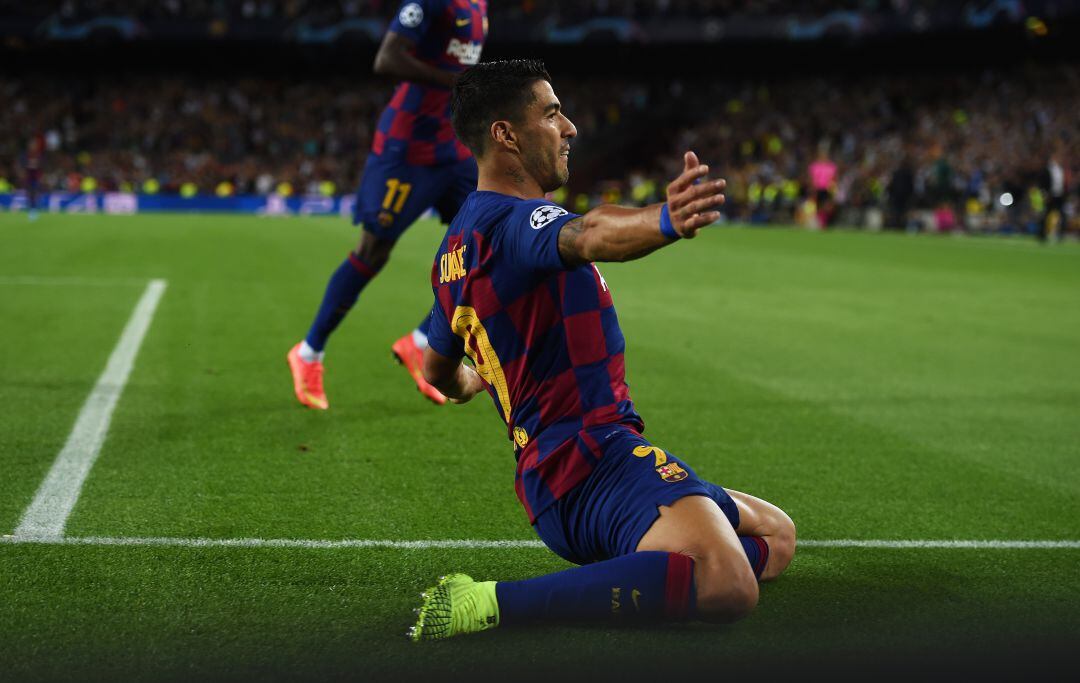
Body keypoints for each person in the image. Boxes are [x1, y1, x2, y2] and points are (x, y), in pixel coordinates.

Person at [410, 60, 795, 641]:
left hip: (558, 478)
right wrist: (663, 219)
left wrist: (480, 378)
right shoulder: (515, 223)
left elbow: (437, 369)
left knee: (777, 538)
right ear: (506, 135)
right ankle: (490, 602)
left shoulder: (452, 252)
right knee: (728, 584)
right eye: (552, 113)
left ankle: (641, 570)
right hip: (591, 461)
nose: (569, 128)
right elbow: (587, 234)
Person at [287, 0, 488, 410]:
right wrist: (455, 81)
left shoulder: (481, 5)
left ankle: (419, 342)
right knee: (373, 252)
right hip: (406, 148)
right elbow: (387, 58)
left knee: (487, 245)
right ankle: (308, 353)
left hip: (453, 148)